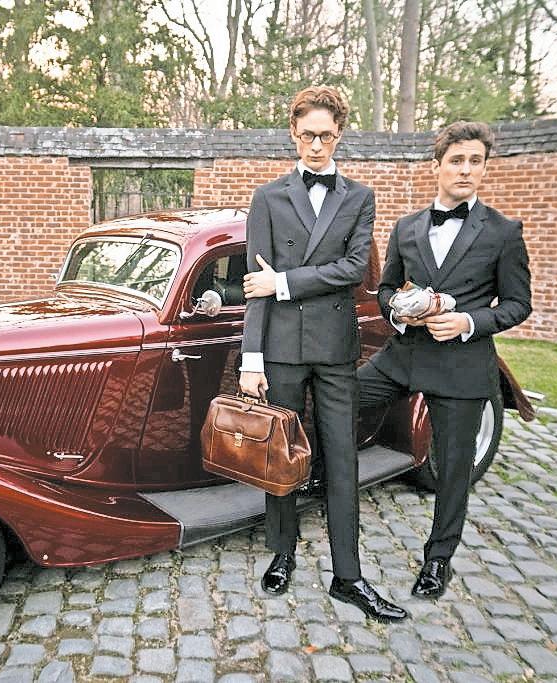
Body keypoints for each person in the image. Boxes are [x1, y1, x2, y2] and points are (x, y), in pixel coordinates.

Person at [239, 86, 407, 623]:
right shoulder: (267, 198)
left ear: (339, 136)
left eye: (327, 136)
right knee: (281, 455)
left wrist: (285, 283)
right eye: (308, 135)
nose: (316, 145)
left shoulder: (359, 197)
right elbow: (254, 286)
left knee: (341, 458)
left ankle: (348, 575)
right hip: (282, 349)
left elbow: (353, 270)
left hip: (335, 349)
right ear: (294, 133)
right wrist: (250, 359)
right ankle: (282, 553)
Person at [358, 121, 532, 599]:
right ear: (437, 166)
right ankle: (321, 481)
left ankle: (438, 560)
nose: (466, 170)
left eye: (476, 161)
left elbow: (518, 304)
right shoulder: (407, 227)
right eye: (457, 160)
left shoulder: (503, 232)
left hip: (462, 366)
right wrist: (399, 310)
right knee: (340, 398)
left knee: (454, 468)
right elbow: (386, 290)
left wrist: (468, 322)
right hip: (404, 356)